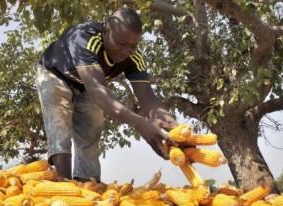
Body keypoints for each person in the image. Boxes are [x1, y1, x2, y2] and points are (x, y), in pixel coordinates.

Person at [35, 7, 178, 182]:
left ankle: (88, 183)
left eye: (134, 45)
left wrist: (172, 126)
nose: (127, 50)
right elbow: (97, 91)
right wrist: (140, 123)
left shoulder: (134, 58)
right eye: (121, 43)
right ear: (106, 30)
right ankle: (63, 185)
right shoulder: (84, 39)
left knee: (91, 132)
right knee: (59, 126)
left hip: (87, 84)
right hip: (54, 74)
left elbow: (148, 98)